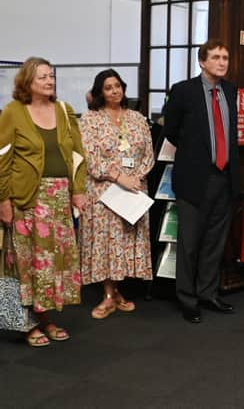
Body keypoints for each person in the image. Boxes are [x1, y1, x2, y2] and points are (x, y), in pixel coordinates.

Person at [0, 57, 87, 346]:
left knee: (52, 264)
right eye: (43, 77)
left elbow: (77, 155)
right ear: (27, 82)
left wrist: (78, 189)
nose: (49, 81)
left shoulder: (64, 110)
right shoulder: (13, 112)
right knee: (26, 263)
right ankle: (25, 323)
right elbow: (2, 159)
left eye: (51, 76)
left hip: (59, 199)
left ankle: (46, 317)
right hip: (27, 199)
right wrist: (4, 200)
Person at [163, 39, 239, 323]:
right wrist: (194, 151)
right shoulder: (183, 91)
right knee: (190, 243)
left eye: (226, 57)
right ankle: (187, 299)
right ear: (202, 61)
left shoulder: (230, 91)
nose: (222, 62)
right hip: (195, 178)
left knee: (214, 242)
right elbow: (170, 131)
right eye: (217, 57)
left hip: (224, 177)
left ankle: (208, 293)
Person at [79, 69, 154, 319]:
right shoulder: (90, 120)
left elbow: (148, 155)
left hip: (134, 188)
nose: (114, 91)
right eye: (108, 87)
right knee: (106, 243)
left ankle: (118, 291)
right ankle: (108, 295)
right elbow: (89, 158)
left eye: (117, 85)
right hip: (104, 191)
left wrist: (135, 178)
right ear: (100, 92)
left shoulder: (137, 118)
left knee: (125, 241)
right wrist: (118, 177)